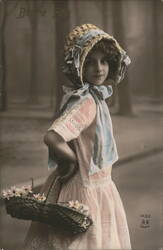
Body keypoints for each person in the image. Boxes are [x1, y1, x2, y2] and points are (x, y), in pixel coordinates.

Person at [24, 23, 131, 250]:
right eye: (90, 62)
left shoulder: (94, 99)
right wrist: (71, 161)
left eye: (103, 61)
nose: (99, 68)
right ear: (79, 66)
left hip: (97, 184)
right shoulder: (86, 102)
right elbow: (53, 138)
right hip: (84, 189)